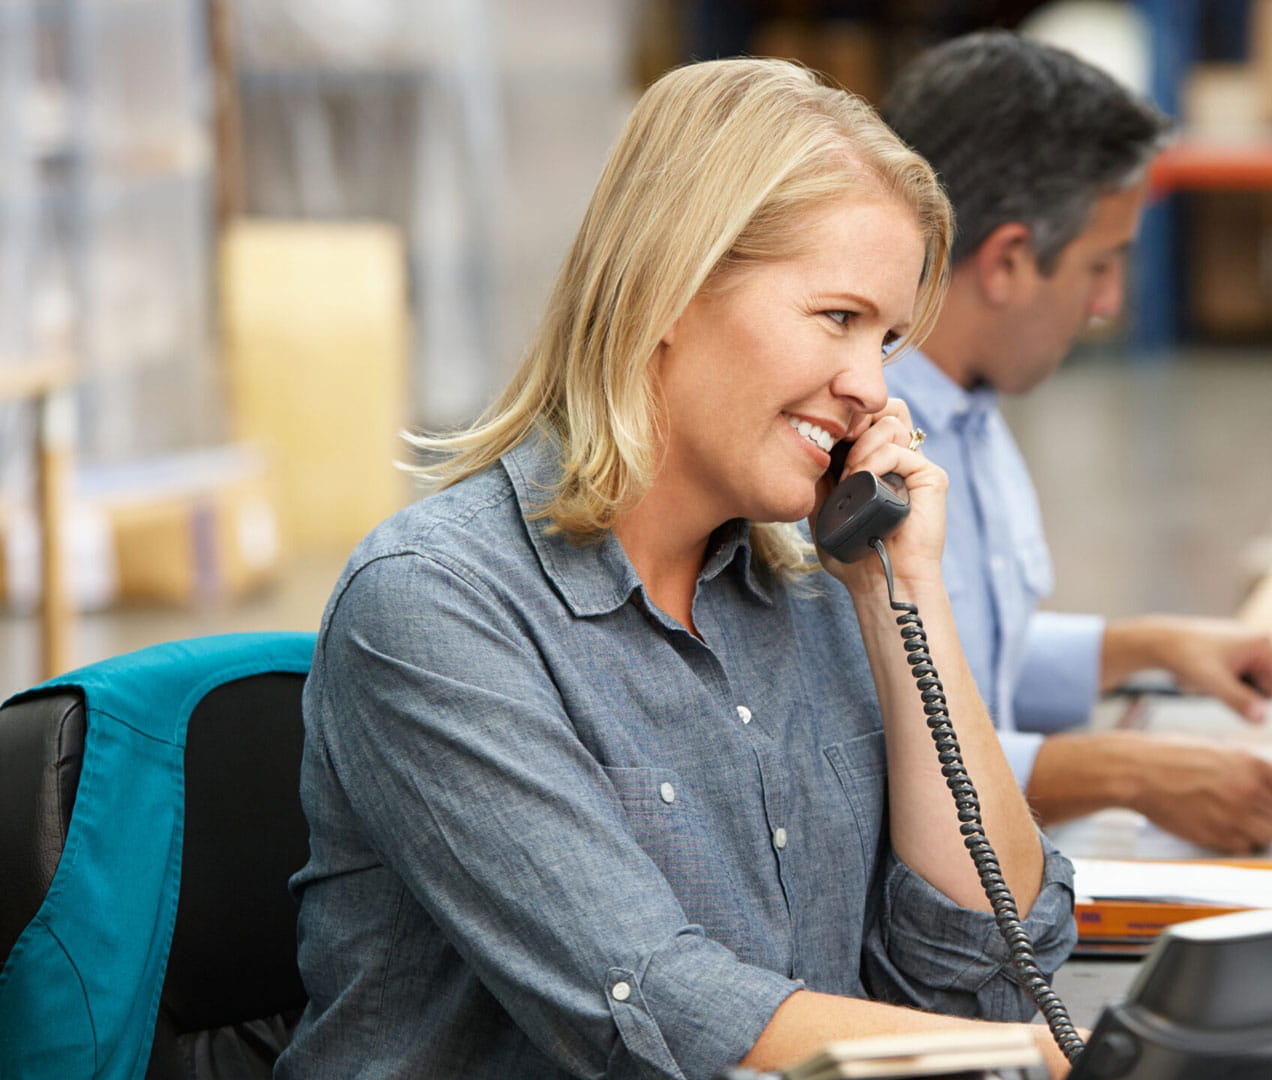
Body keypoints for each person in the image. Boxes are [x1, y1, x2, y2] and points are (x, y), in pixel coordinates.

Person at [277, 58, 1080, 1080]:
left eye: (886, 338)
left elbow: (993, 968)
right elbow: (658, 1013)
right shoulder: (437, 605)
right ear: (670, 287)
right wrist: (1050, 1059)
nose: (870, 390)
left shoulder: (812, 596)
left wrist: (901, 598)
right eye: (838, 319)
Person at [880, 32, 1272, 855]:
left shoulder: (969, 409)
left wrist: (1144, 648)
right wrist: (1127, 773)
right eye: (1100, 265)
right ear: (1008, 261)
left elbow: (958, 662)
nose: (1109, 302)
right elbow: (874, 755)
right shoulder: (861, 457)